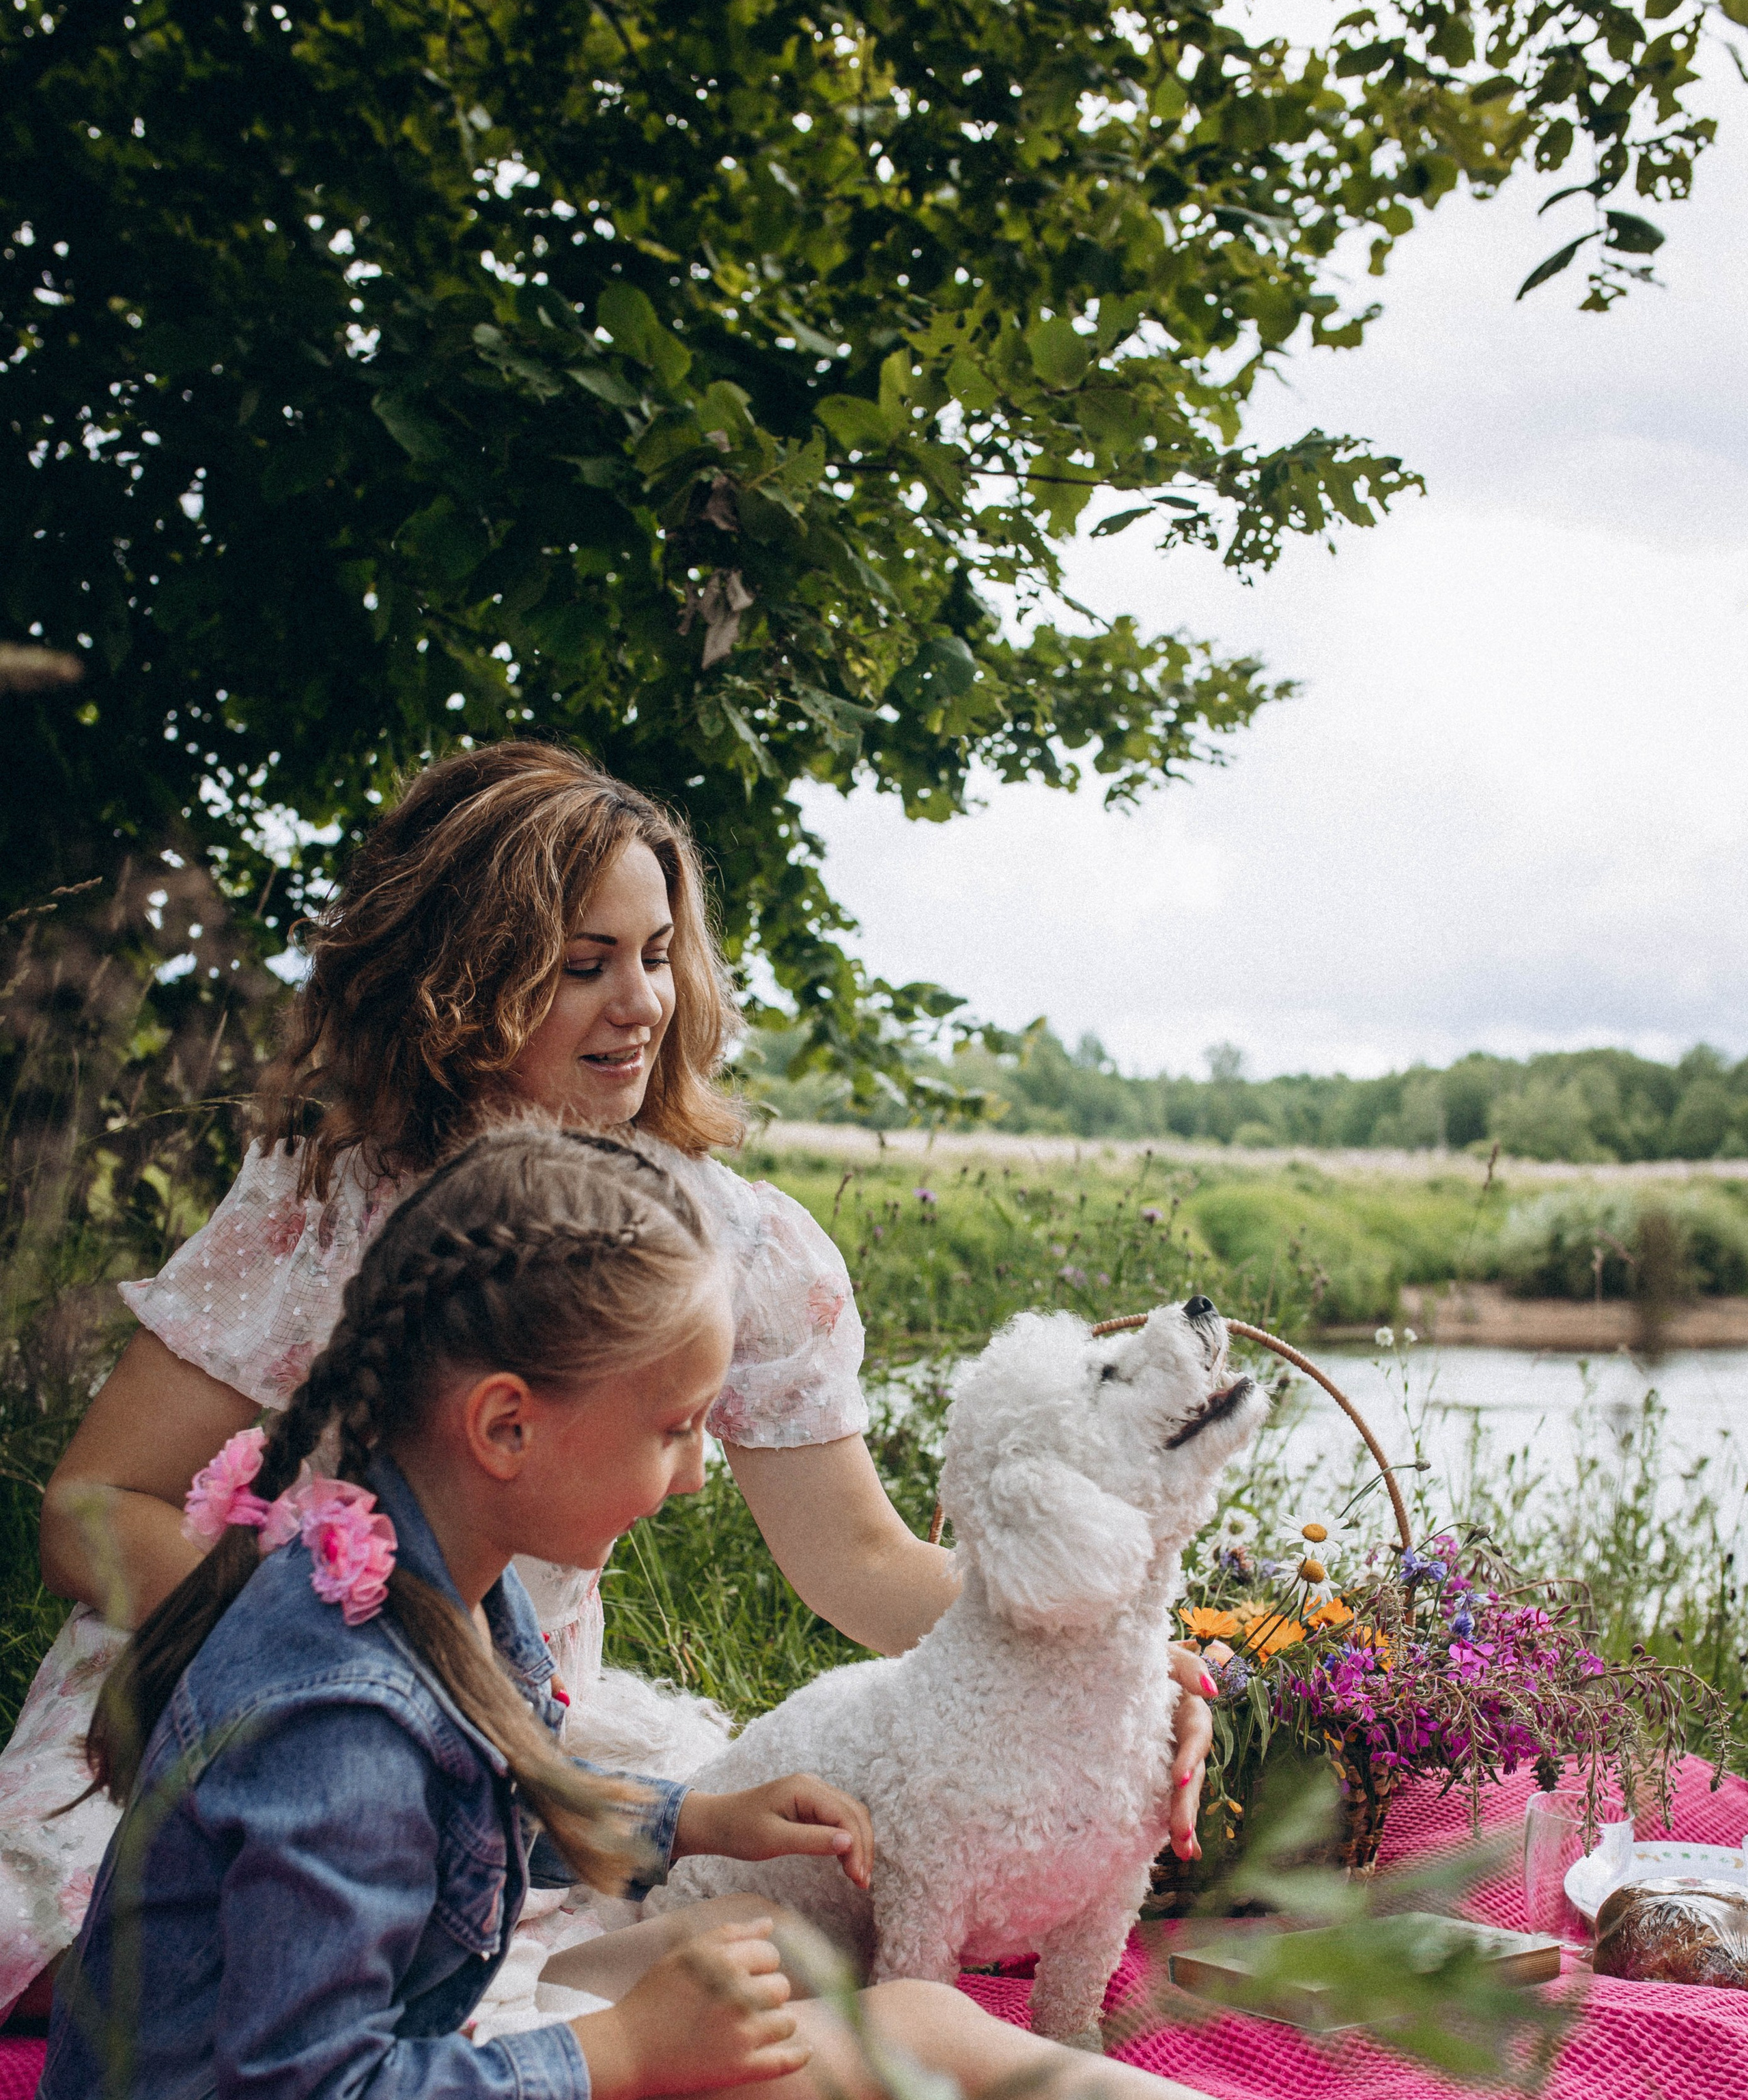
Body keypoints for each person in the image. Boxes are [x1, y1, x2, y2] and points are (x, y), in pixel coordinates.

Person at [28, 1128, 1717, 2100]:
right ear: (505, 1424)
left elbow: (473, 1818)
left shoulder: (414, 1562)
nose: (697, 1472)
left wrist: (702, 1808)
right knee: (919, 2033)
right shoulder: (335, 1693)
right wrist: (622, 2059)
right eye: (678, 1429)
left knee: (774, 1970)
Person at [1, 740, 1219, 2018]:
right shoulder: (329, 1199)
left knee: (792, 1891)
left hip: (530, 1723)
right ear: (453, 984)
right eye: (582, 967)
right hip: (246, 1677)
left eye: (654, 954)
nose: (639, 1002)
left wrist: (1113, 1670)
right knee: (147, 1947)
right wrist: (357, 1635)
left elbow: (856, 1560)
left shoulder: (742, 1245)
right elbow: (91, 1509)